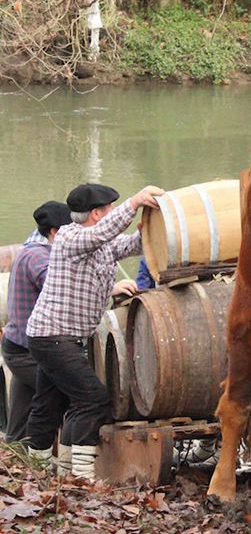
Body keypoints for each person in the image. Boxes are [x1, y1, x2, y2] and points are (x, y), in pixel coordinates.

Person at [24, 183, 164, 480]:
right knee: (93, 399)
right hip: (52, 336)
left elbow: (129, 245)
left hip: (64, 338)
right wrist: (134, 202)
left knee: (50, 404)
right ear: (96, 214)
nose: (113, 212)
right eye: (110, 209)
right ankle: (82, 476)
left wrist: (150, 228)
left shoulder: (99, 242)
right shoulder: (70, 238)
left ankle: (41, 473)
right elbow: (102, 234)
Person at [1, 202, 73, 445]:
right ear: (54, 232)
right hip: (28, 353)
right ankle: (68, 460)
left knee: (20, 417)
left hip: (18, 346)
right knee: (70, 395)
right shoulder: (37, 256)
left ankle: (14, 457)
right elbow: (58, 288)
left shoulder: (34, 249)